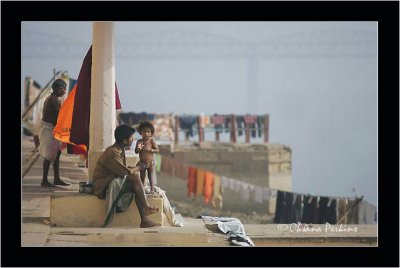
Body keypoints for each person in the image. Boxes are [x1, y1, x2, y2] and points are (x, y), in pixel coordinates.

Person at [92, 124, 160, 228]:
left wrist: (137, 167)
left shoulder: (119, 149)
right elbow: (125, 172)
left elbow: (123, 169)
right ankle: (146, 208)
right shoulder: (113, 152)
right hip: (103, 185)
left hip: (112, 179)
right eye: (131, 138)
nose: (133, 140)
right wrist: (140, 167)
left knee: (136, 182)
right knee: (135, 178)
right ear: (125, 140)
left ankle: (144, 221)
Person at [38, 79, 70, 187]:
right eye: (63, 89)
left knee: (57, 152)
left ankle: (56, 179)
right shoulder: (53, 100)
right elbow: (59, 117)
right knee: (48, 155)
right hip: (48, 128)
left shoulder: (54, 99)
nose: (65, 91)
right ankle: (44, 181)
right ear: (56, 89)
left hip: (51, 128)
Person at [134, 121, 159, 194]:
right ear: (140, 133)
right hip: (142, 162)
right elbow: (136, 151)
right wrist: (138, 149)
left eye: (148, 132)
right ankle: (142, 188)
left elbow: (157, 150)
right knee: (142, 176)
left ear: (151, 133)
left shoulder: (152, 141)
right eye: (144, 132)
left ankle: (152, 189)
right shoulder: (139, 141)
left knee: (150, 176)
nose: (146, 133)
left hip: (150, 162)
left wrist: (150, 150)